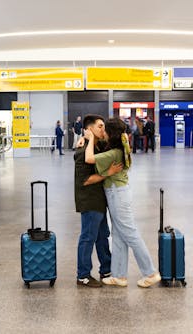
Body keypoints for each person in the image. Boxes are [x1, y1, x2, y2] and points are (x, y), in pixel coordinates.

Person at [85, 117, 161, 288]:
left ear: (110, 134)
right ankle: (119, 275)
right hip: (119, 192)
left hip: (116, 194)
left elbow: (89, 158)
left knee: (129, 232)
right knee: (119, 234)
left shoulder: (114, 153)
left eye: (104, 129)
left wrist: (89, 139)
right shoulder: (120, 147)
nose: (102, 131)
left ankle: (150, 272)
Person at [74, 114, 123, 288]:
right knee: (88, 237)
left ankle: (106, 269)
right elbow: (85, 181)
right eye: (100, 126)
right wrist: (108, 173)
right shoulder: (82, 153)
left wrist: (86, 137)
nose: (104, 129)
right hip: (89, 201)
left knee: (103, 236)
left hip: (101, 201)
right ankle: (83, 275)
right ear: (90, 129)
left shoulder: (101, 146)